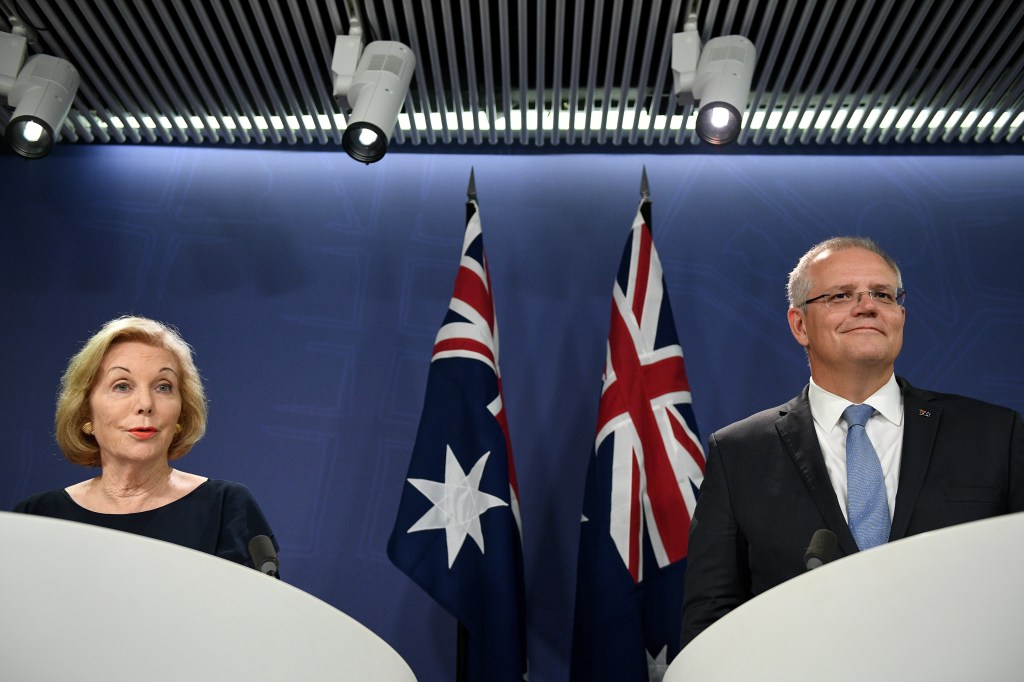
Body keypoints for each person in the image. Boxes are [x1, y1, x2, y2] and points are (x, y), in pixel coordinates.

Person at [680, 236, 1023, 647]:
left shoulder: (994, 434)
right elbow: (712, 618)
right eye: (841, 295)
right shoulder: (739, 453)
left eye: (882, 294)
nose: (867, 306)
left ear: (900, 314)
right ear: (799, 325)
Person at [13, 316, 279, 570]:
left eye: (163, 387)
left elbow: (256, 614)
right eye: (122, 386)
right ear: (86, 413)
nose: (145, 404)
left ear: (181, 414)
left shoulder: (225, 508)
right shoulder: (38, 516)